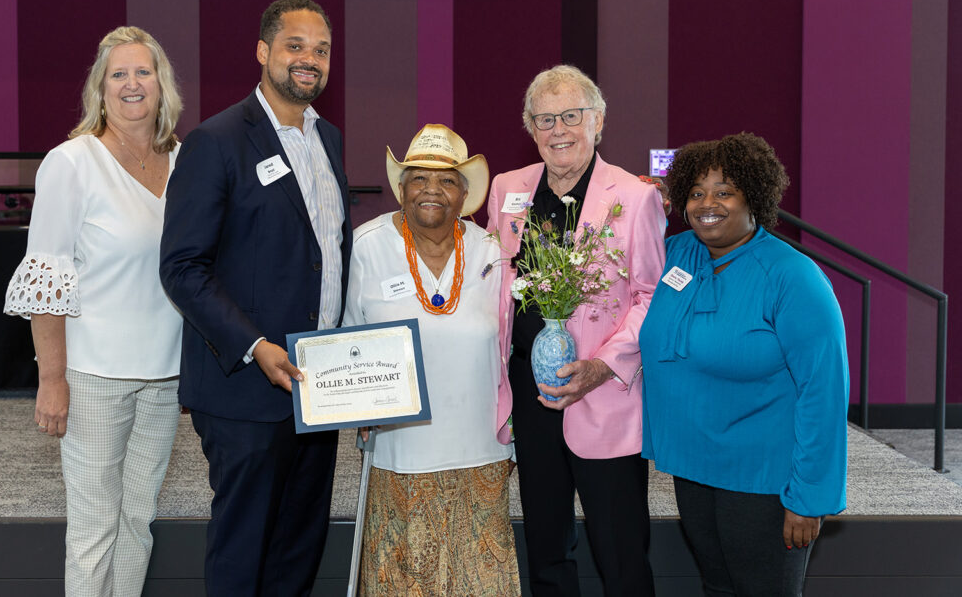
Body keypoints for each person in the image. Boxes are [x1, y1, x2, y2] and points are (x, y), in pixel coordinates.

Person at [159, 0, 352, 596]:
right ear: (264, 51)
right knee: (244, 547)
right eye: (295, 46)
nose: (309, 60)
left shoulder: (330, 140)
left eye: (320, 50)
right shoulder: (216, 141)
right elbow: (182, 268)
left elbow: (325, 256)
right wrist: (255, 346)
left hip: (318, 387)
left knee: (299, 545)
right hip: (246, 387)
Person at [3, 26, 184, 595]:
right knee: (93, 528)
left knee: (139, 522)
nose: (133, 84)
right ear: (100, 89)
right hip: (93, 375)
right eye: (119, 74)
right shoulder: (71, 162)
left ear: (162, 85)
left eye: (143, 72)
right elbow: (45, 278)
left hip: (166, 375)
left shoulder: (183, 159)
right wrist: (51, 379)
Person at [640, 132, 850, 597]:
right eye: (695, 193)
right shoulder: (675, 255)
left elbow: (824, 390)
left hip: (765, 480)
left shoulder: (792, 276)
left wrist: (809, 497)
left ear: (753, 196)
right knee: (717, 587)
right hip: (693, 469)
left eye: (724, 191)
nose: (706, 203)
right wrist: (642, 204)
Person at [486, 64, 666, 595]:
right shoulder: (506, 188)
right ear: (528, 125)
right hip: (529, 391)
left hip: (601, 390)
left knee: (620, 550)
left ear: (599, 121)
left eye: (571, 116)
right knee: (544, 546)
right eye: (545, 119)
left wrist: (601, 366)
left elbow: (651, 296)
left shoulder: (635, 197)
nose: (558, 130)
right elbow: (494, 280)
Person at [345, 124, 520, 596]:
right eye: (419, 178)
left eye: (446, 180)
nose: (431, 190)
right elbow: (341, 342)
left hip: (481, 451)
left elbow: (511, 349)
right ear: (401, 187)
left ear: (465, 192)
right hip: (399, 455)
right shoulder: (365, 247)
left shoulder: (494, 252)